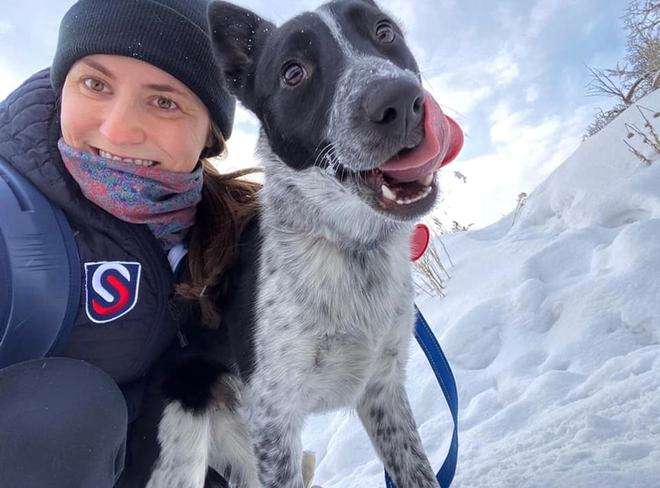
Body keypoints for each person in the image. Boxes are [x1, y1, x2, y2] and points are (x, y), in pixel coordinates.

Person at [0, 0, 261, 486]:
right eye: (95, 84)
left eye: (164, 101)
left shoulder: (213, 220)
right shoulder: (12, 221)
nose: (117, 129)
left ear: (209, 137)